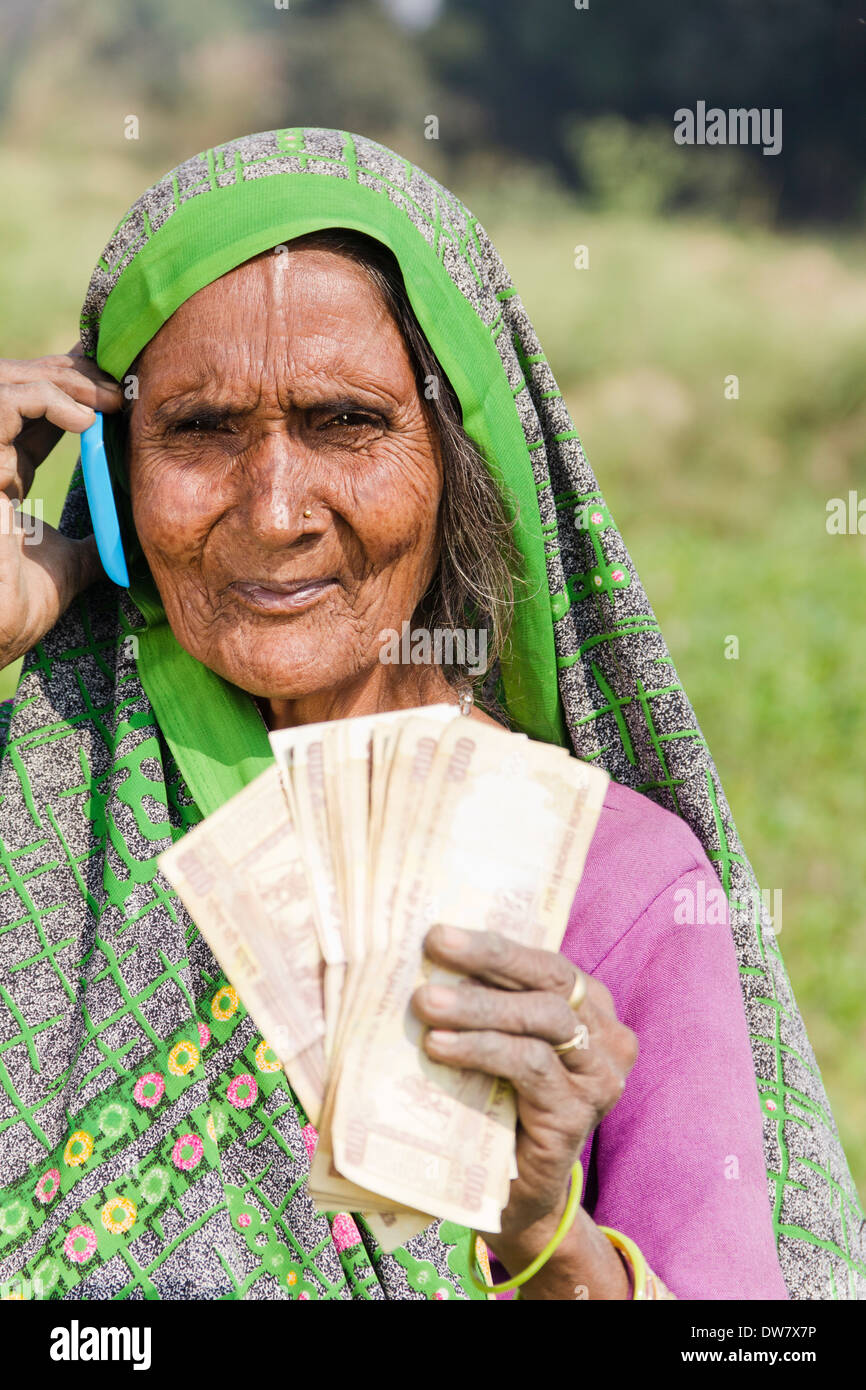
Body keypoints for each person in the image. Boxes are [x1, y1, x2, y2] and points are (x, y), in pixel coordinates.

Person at [0, 128, 858, 1301]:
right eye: (199, 430)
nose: (276, 510)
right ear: (110, 469)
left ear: (459, 455)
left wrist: (543, 1233)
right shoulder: (46, 788)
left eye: (344, 422)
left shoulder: (619, 885)